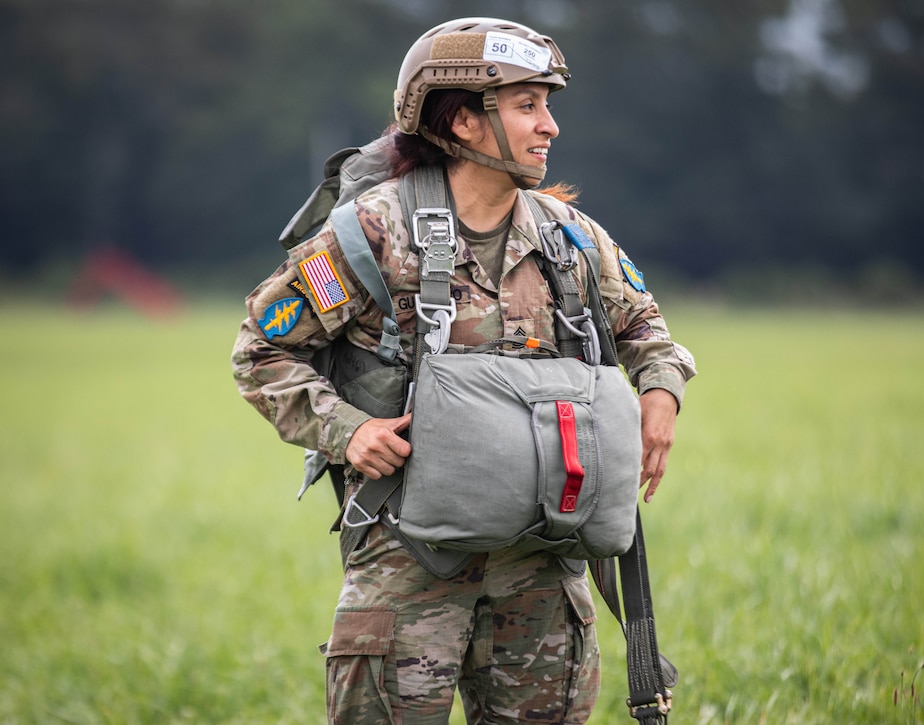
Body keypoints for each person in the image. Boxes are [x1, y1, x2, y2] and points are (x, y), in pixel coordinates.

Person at [231, 16, 696, 724]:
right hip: (409, 565)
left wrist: (661, 389)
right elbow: (259, 351)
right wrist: (348, 430)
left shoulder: (569, 236)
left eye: (548, 104)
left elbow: (646, 330)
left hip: (544, 569)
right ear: (464, 122)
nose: (551, 126)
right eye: (527, 105)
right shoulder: (373, 233)